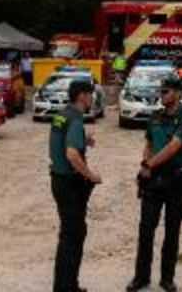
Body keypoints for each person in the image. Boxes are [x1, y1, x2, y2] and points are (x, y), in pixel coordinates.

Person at [127, 76, 182, 292]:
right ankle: (141, 277)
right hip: (153, 179)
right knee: (146, 229)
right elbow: (148, 142)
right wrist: (144, 163)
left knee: (172, 231)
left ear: (177, 93)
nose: (162, 94)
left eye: (166, 91)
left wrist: (149, 164)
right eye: (161, 90)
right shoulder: (155, 116)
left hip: (176, 178)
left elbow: (174, 147)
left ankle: (167, 278)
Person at [50, 78, 102, 292]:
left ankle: (65, 284)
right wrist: (90, 175)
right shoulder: (75, 119)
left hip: (58, 180)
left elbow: (63, 142)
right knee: (73, 237)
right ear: (82, 95)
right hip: (70, 184)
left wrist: (83, 139)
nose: (92, 97)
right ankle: (67, 287)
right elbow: (71, 154)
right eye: (90, 93)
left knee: (68, 235)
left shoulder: (62, 115)